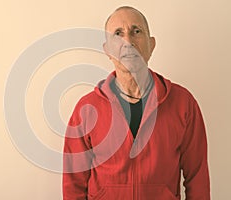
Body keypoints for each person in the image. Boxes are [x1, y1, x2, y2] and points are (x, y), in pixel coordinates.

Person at [62, 6, 210, 200]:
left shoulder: (183, 104)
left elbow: (197, 178)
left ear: (151, 44)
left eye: (136, 32)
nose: (128, 42)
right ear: (107, 49)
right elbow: (73, 184)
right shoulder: (86, 110)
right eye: (118, 34)